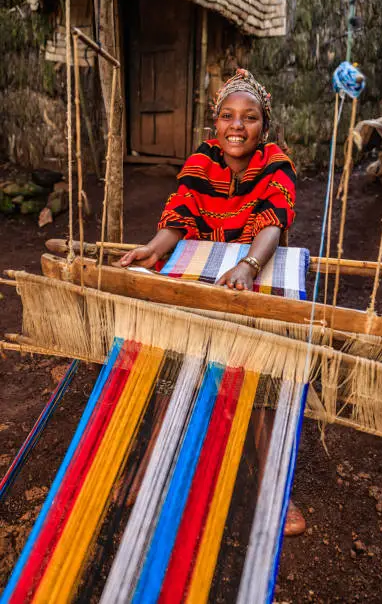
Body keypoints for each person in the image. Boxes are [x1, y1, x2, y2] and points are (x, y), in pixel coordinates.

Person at [120, 68, 306, 536]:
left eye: (249, 118)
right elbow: (179, 214)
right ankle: (152, 465)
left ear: (265, 126)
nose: (237, 127)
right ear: (215, 124)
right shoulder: (201, 161)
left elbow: (273, 223)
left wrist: (248, 267)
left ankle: (273, 489)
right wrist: (155, 249)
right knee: (170, 357)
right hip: (202, 272)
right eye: (228, 117)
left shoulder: (276, 163)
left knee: (263, 371)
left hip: (253, 274)